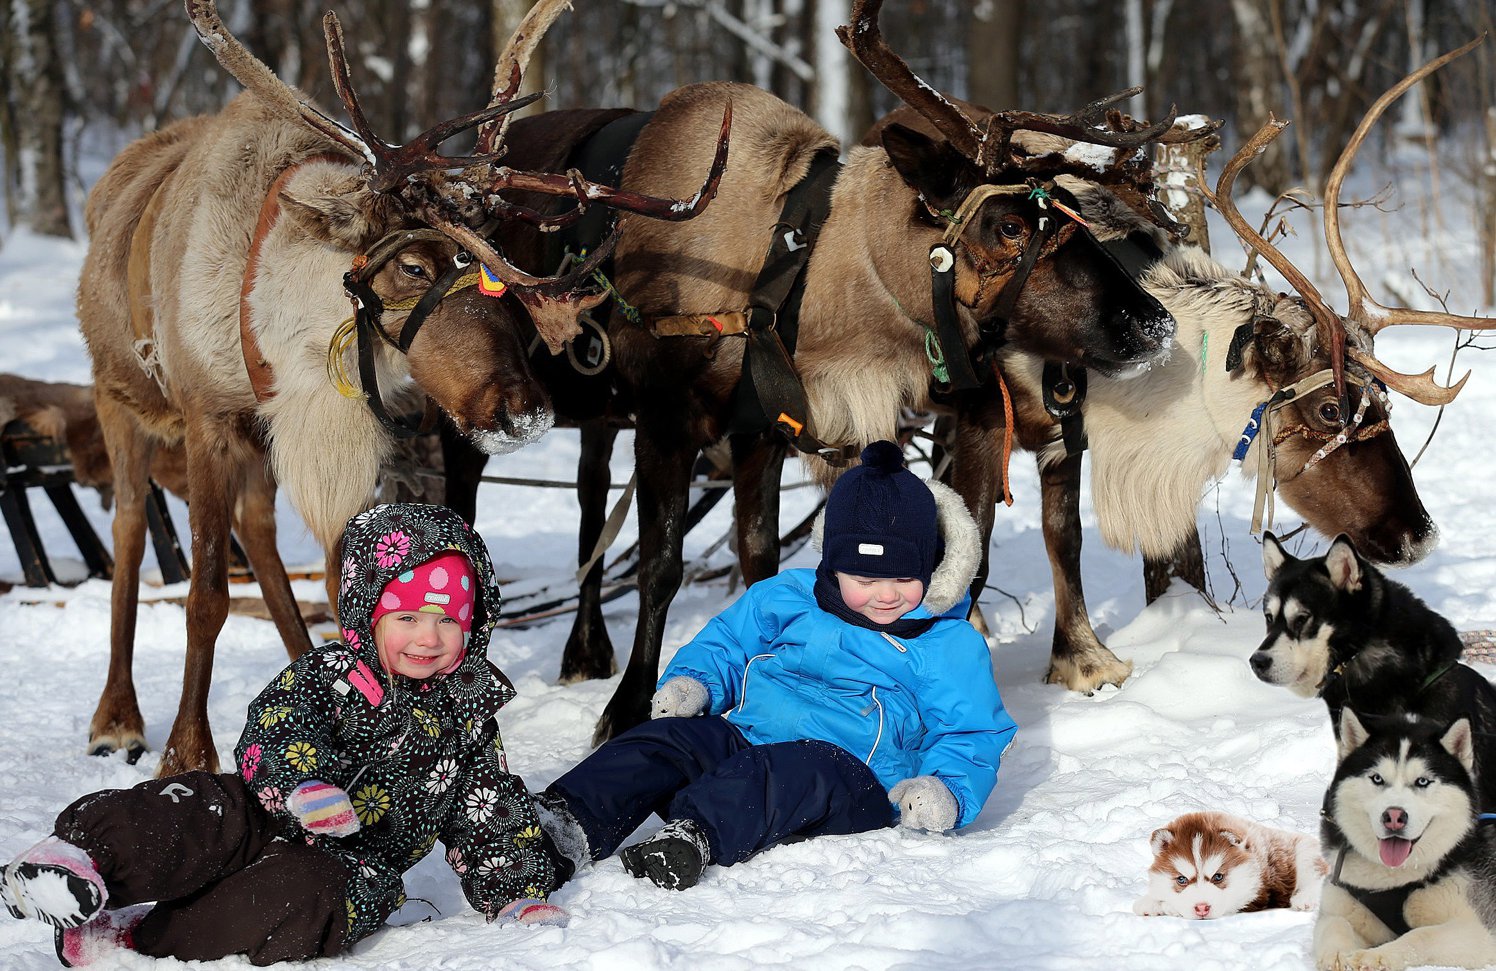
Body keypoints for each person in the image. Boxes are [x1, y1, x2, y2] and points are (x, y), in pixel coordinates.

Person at [1, 503, 569, 967]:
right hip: (263, 811)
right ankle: (80, 857)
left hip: (352, 865)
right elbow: (275, 726)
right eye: (408, 617)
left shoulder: (466, 717)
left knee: (306, 902)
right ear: (367, 615)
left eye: (449, 620)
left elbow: (488, 809)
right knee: (198, 809)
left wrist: (515, 889)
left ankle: (139, 941)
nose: (429, 636)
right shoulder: (328, 675)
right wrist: (303, 786)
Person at [538, 441, 1017, 891]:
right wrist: (697, 683)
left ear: (930, 567)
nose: (887, 594)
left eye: (904, 577)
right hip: (747, 742)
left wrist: (946, 788)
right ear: (832, 564)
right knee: (666, 739)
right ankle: (564, 820)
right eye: (866, 578)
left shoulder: (944, 642)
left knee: (795, 767)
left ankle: (694, 837)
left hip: (850, 778)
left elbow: (971, 731)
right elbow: (729, 639)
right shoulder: (789, 596)